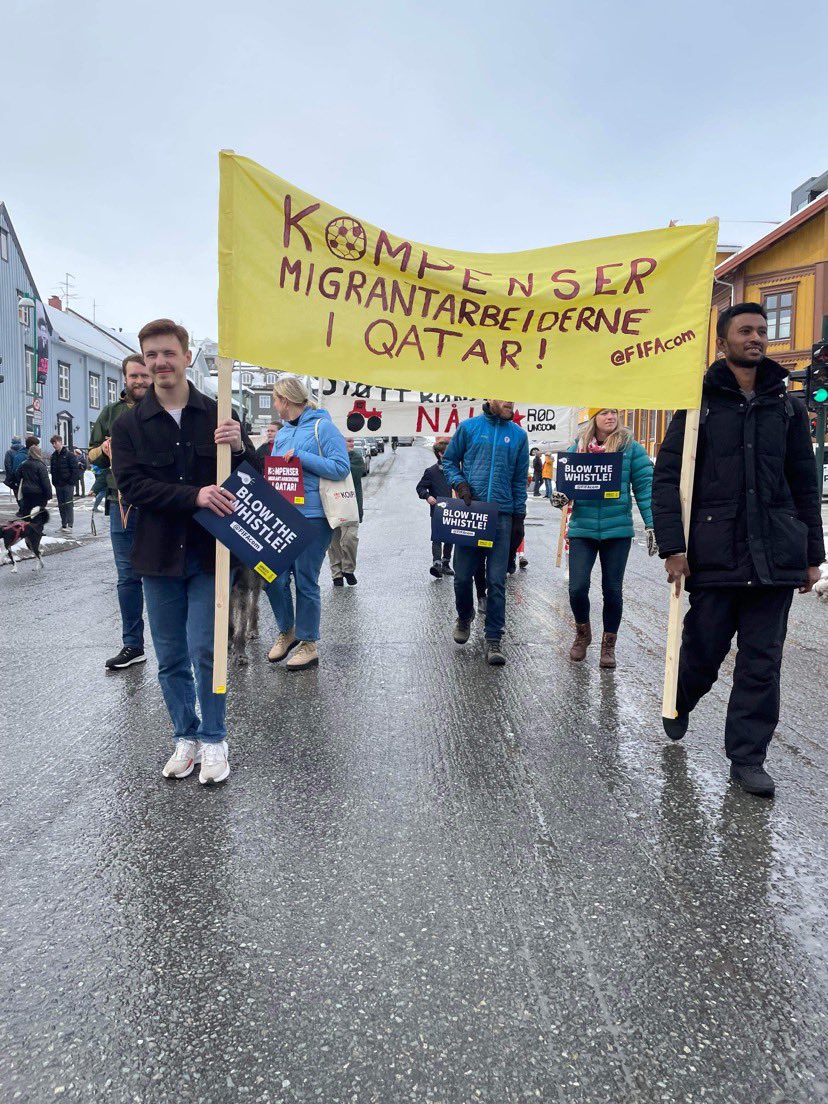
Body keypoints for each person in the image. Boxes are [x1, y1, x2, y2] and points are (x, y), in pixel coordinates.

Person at [652, 302, 824, 798]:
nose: (757, 338)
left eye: (762, 331)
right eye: (745, 331)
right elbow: (669, 482)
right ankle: (679, 699)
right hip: (715, 551)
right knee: (703, 650)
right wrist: (673, 547)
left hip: (775, 553)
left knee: (761, 663)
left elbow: (803, 483)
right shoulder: (696, 404)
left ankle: (747, 759)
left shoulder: (786, 406)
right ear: (722, 342)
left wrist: (812, 554)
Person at [112, 318, 255, 785]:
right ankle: (185, 737)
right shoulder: (130, 423)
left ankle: (215, 738)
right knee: (170, 654)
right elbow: (132, 486)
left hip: (207, 553)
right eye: (151, 355)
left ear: (186, 356)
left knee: (205, 649)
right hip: (156, 556)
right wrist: (193, 495)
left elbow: (250, 481)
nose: (159, 363)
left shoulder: (218, 414)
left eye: (168, 353)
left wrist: (242, 447)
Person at [553, 408, 655, 669]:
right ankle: (582, 633)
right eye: (604, 413)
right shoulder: (579, 448)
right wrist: (562, 495)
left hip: (617, 531)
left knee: (612, 590)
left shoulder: (630, 448)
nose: (611, 417)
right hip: (583, 529)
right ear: (593, 418)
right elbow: (566, 484)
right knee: (577, 587)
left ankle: (608, 645)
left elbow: (645, 487)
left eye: (614, 412)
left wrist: (652, 525)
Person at [266, 375, 350, 670]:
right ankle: (287, 630)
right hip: (282, 516)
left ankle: (309, 643)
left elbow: (341, 467)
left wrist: (302, 458)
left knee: (305, 580)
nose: (274, 405)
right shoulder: (282, 433)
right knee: (271, 577)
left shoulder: (321, 427)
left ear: (285, 400)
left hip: (314, 517)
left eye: (275, 399)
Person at [442, 400, 529, 666]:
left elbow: (519, 479)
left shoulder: (518, 435)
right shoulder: (469, 428)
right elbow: (449, 462)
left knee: (497, 580)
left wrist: (519, 516)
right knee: (462, 577)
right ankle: (465, 615)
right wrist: (460, 483)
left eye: (513, 397)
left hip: (502, 515)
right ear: (490, 397)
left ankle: (494, 638)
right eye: (504, 396)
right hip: (472, 511)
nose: (509, 402)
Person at [89, 353, 153, 670]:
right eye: (134, 376)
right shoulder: (111, 413)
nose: (139, 381)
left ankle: (181, 644)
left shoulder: (165, 409)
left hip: (161, 503)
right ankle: (133, 645)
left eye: (145, 375)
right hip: (123, 504)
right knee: (128, 577)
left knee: (172, 572)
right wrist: (103, 450)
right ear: (124, 378)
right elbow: (91, 456)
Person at [415, 437, 455, 579]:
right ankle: (436, 564)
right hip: (438, 509)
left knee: (450, 537)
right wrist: (427, 496)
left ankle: (446, 563)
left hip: (455, 509)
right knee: (437, 537)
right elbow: (420, 487)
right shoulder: (431, 471)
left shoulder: (456, 469)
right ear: (441, 454)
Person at [329, 436, 365, 586]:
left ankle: (348, 569)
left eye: (352, 441)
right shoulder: (329, 457)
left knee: (350, 539)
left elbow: (348, 473)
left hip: (352, 505)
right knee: (334, 543)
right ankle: (337, 574)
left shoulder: (356, 458)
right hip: (334, 504)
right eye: (348, 441)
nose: (352, 444)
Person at [49, 435, 80, 531]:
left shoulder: (70, 455)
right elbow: (52, 470)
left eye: (55, 443)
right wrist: (54, 482)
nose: (54, 445)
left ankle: (70, 524)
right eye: (52, 443)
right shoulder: (53, 456)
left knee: (68, 504)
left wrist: (71, 482)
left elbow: (75, 470)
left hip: (68, 485)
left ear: (60, 442)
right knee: (61, 505)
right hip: (58, 484)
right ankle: (64, 524)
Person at [17, 445, 52, 518]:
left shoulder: (23, 464)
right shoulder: (41, 465)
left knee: (27, 512)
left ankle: (27, 527)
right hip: (38, 493)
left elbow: (17, 475)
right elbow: (45, 481)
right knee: (37, 514)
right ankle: (36, 528)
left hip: (26, 491)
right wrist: (48, 494)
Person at [4, 435, 28, 512]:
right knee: (23, 494)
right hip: (24, 476)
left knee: (17, 493)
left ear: (12, 442)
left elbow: (8, 465)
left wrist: (10, 477)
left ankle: (22, 509)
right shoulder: (24, 451)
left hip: (14, 478)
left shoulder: (9, 452)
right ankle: (24, 509)